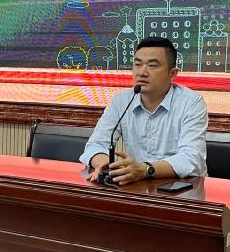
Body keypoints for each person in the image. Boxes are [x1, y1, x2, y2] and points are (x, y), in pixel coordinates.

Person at [80, 36, 208, 185]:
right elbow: (95, 145)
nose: (142, 72)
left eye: (152, 65)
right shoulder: (121, 100)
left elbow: (191, 159)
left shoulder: (191, 103)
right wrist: (106, 165)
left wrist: (145, 169)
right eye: (137, 64)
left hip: (183, 190)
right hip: (136, 186)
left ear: (172, 73)